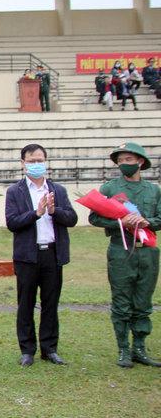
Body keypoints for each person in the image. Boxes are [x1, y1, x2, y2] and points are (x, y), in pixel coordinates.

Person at [88, 142, 161, 368]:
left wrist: (147, 222)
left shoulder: (154, 190)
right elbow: (94, 218)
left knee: (143, 301)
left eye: (128, 160)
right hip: (121, 249)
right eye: (120, 161)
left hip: (147, 252)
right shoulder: (110, 189)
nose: (124, 164)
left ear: (140, 161)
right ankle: (123, 350)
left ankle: (139, 347)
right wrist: (119, 220)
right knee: (121, 301)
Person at [5, 144, 77, 367]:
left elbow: (72, 219)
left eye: (39, 160)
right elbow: (12, 223)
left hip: (52, 254)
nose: (36, 164)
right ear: (23, 163)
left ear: (45, 161)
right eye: (31, 161)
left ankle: (49, 348)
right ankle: (27, 350)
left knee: (50, 303)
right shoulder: (15, 191)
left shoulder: (58, 190)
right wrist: (36, 213)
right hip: (27, 256)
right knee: (25, 303)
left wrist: (54, 212)